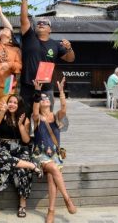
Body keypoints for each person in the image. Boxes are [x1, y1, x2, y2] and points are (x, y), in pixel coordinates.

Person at [19, 0, 74, 115]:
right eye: (39, 23)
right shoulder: (29, 36)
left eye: (45, 23)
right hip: (27, 86)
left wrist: (70, 48)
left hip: (46, 88)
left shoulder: (56, 44)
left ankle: (43, 136)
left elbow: (70, 59)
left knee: (45, 119)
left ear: (50, 29)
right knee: (24, 118)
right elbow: (24, 19)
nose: (41, 24)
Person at [32, 78, 76, 223]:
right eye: (42, 99)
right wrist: (38, 92)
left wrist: (61, 92)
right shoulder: (37, 118)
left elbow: (63, 108)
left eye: (46, 98)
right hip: (40, 155)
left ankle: (51, 211)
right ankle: (67, 199)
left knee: (52, 177)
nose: (45, 99)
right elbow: (34, 109)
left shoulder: (56, 117)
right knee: (53, 169)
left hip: (55, 155)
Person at [0, 95, 42, 218]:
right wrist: (3, 110)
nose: (12, 104)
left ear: (19, 106)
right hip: (3, 146)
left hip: (20, 147)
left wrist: (20, 126)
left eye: (15, 103)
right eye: (10, 102)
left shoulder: (24, 118)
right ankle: (31, 165)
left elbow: (26, 140)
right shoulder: (1, 113)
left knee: (22, 170)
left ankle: (22, 206)